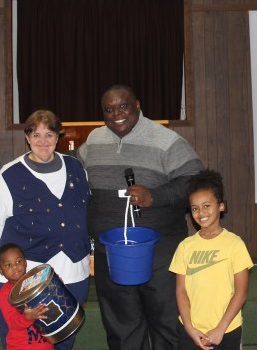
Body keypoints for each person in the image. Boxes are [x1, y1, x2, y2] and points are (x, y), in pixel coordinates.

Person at [78, 84, 204, 350]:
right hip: (110, 255)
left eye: (123, 106)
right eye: (108, 110)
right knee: (122, 331)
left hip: (160, 255)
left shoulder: (167, 140)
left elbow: (196, 181)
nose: (116, 114)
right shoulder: (93, 141)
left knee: (168, 326)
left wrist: (155, 196)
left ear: (137, 105)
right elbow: (72, 173)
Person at [0, 110, 90, 350]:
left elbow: (86, 211)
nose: (43, 141)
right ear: (27, 138)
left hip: (72, 270)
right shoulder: (9, 175)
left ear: (58, 136)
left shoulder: (77, 168)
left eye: (49, 134)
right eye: (36, 135)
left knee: (64, 339)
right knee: (25, 342)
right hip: (25, 276)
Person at [169, 169, 252, 350]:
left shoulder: (235, 244)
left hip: (227, 330)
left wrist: (221, 328)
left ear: (221, 206)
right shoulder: (185, 246)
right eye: (195, 208)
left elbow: (241, 291)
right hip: (191, 331)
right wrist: (189, 328)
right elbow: (181, 291)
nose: (201, 212)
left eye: (207, 205)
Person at [0, 243, 54, 350]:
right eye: (8, 265)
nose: (15, 267)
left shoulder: (36, 280)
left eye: (19, 261)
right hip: (20, 346)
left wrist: (54, 284)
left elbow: (52, 297)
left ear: (25, 262)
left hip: (47, 345)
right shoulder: (5, 293)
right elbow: (12, 322)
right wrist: (26, 318)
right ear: (1, 271)